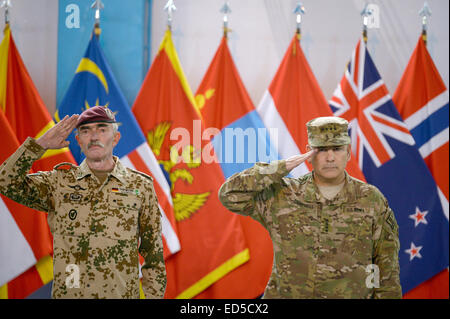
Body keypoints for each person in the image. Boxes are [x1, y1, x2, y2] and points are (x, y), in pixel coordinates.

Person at [219, 116, 402, 299]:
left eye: (337, 149)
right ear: (309, 153)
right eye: (321, 150)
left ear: (348, 152)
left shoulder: (371, 199)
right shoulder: (282, 195)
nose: (330, 157)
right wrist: (282, 166)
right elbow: (229, 194)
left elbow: (387, 270)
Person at [0, 106, 166, 299]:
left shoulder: (140, 186)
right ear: (78, 141)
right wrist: (40, 145)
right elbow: (5, 181)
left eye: (102, 129)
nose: (94, 136)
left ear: (116, 138)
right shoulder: (59, 183)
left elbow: (153, 256)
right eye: (86, 131)